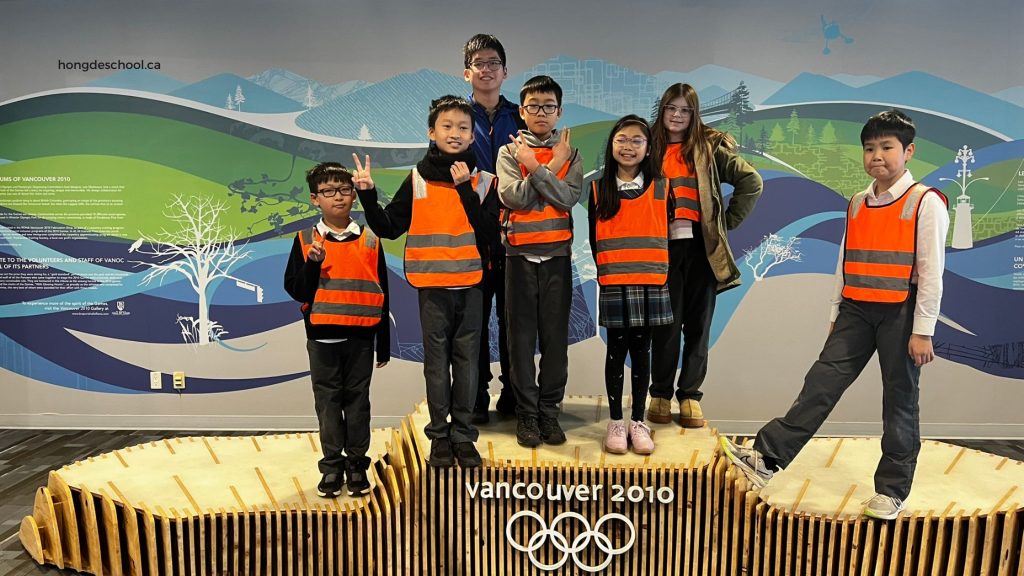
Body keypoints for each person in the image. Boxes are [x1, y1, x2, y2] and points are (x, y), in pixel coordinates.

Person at [720, 109, 949, 520]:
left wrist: (923, 330)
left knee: (899, 401)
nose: (876, 155)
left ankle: (892, 492)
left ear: (908, 151)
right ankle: (767, 459)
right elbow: (844, 262)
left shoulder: (925, 202)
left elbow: (932, 271)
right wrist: (834, 312)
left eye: (886, 147)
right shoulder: (858, 203)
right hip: (855, 312)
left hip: (901, 313)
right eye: (869, 148)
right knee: (820, 384)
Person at [354, 95, 498, 469]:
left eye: (463, 128)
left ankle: (464, 437)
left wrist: (466, 188)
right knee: (436, 365)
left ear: (472, 135)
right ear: (431, 132)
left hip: (471, 284)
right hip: (432, 287)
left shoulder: (484, 180)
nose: (455, 134)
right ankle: (439, 436)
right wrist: (367, 195)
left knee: (467, 364)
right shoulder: (417, 178)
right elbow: (388, 227)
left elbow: (489, 233)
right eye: (447, 127)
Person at [647, 83, 763, 428]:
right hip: (661, 249)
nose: (678, 116)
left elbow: (751, 181)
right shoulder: (647, 144)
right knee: (665, 326)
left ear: (694, 114)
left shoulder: (709, 147)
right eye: (672, 108)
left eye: (685, 110)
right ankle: (661, 394)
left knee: (698, 327)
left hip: (701, 250)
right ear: (662, 110)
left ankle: (690, 397)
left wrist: (725, 223)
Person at [284, 162, 390, 497]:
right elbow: (298, 291)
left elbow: (383, 293)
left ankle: (357, 465)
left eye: (345, 190)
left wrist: (383, 345)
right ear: (316, 199)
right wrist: (314, 263)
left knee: (358, 403)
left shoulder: (371, 239)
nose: (338, 197)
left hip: (361, 337)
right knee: (328, 404)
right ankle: (331, 467)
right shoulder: (304, 240)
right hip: (322, 339)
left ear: (355, 196)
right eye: (329, 192)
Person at [496, 75, 583, 447]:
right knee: (519, 341)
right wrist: (538, 166)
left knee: (554, 341)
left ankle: (549, 413)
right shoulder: (509, 152)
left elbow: (567, 199)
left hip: (557, 258)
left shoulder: (571, 153)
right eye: (534, 106)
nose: (541, 113)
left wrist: (537, 167)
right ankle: (526, 416)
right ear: (522, 111)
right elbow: (512, 198)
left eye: (548, 106)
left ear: (559, 111)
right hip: (518, 257)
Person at [588, 115, 673, 456]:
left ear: (648, 147)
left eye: (637, 140)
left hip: (651, 281)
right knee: (615, 351)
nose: (628, 146)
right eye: (622, 139)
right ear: (612, 145)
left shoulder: (663, 188)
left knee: (642, 352)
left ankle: (638, 421)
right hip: (615, 282)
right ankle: (615, 422)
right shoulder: (598, 189)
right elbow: (595, 243)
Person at [462, 33, 525, 423]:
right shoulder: (456, 118)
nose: (486, 70)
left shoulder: (520, 116)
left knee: (514, 318)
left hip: (517, 231)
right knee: (474, 318)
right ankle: (477, 391)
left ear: (505, 71)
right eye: (479, 63)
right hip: (470, 234)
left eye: (493, 63)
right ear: (466, 72)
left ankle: (514, 390)